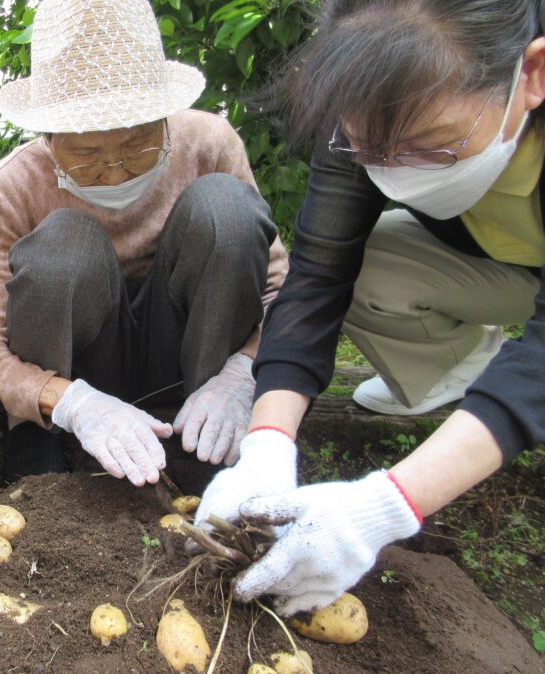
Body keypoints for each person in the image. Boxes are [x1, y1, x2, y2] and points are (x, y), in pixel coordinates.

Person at [195, 0, 545, 616]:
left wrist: (385, 506)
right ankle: (458, 366)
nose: (390, 168)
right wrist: (268, 445)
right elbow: (318, 275)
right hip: (501, 264)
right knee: (368, 264)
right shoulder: (368, 114)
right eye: (367, 149)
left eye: (430, 149)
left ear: (534, 74)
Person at [0, 0, 288, 489]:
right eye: (87, 155)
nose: (115, 168)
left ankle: (201, 419)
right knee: (61, 243)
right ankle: (43, 435)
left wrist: (243, 374)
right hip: (81, 369)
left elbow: (280, 291)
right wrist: (67, 401)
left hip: (190, 352)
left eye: (138, 144)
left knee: (226, 209)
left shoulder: (208, 143)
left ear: (165, 118)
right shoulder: (18, 184)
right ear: (48, 138)